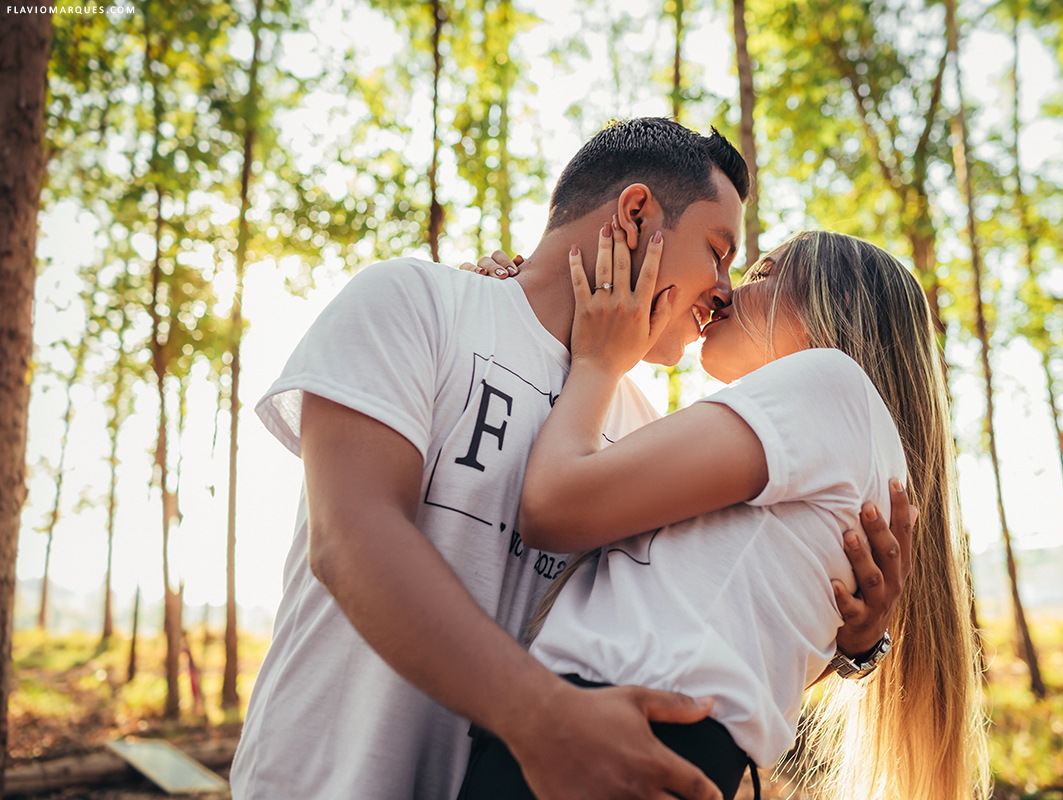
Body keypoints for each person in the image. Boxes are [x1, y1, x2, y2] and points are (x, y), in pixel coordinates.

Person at [230, 118, 908, 800]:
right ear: (636, 214)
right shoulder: (415, 301)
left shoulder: (640, 426)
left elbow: (704, 634)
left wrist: (857, 643)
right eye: (718, 252)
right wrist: (541, 715)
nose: (723, 289)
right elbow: (351, 537)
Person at [456, 227, 988, 800]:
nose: (727, 291)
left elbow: (553, 505)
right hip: (644, 744)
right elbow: (733, 633)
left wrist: (597, 360)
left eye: (763, 274)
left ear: (834, 304)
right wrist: (517, 314)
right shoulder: (830, 451)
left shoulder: (831, 384)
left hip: (606, 741)